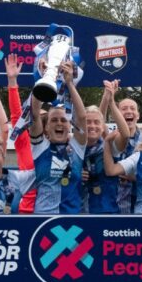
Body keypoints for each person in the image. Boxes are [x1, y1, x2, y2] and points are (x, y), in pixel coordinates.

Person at [28, 61, 88, 214]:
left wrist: (69, 83)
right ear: (46, 127)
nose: (59, 123)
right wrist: (42, 81)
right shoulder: (40, 146)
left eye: (63, 120)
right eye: (54, 120)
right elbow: (35, 115)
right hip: (43, 218)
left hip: (72, 219)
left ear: (69, 126)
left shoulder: (77, 147)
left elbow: (81, 117)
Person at [82, 80, 130, 213]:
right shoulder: (74, 148)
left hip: (108, 212)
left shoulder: (108, 146)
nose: (92, 126)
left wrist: (110, 100)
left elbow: (125, 135)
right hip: (82, 214)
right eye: (88, 122)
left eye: (96, 122)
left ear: (102, 126)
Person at [5, 53, 36, 213]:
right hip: (24, 211)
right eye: (35, 118)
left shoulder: (54, 145)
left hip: (49, 209)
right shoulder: (24, 140)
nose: (38, 122)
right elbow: (17, 115)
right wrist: (12, 81)